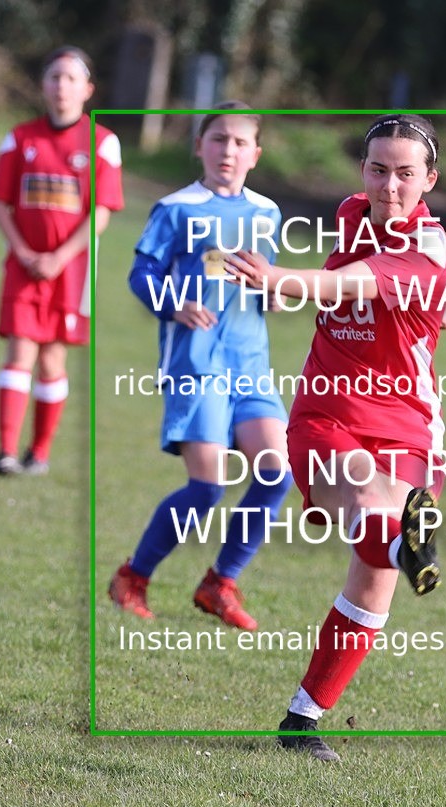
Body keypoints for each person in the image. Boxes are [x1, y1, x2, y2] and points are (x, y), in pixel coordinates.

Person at [227, 113, 446, 760]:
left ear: (430, 181)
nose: (390, 185)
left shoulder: (427, 248)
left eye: (406, 174)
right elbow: (344, 287)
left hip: (407, 423)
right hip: (327, 414)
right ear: (363, 173)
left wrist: (281, 281)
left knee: (376, 572)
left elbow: (349, 283)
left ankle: (300, 723)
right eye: (378, 169)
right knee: (371, 514)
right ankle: (408, 530)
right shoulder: (351, 212)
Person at [107, 103, 292, 632]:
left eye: (239, 143)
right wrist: (174, 303)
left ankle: (220, 582)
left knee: (278, 472)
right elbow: (141, 274)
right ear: (199, 146)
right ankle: (132, 576)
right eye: (218, 140)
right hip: (196, 363)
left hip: (251, 363)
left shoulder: (266, 213)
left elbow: (262, 274)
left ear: (255, 154)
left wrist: (275, 292)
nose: (228, 151)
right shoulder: (175, 208)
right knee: (207, 488)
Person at [0, 46, 124, 475]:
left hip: (71, 272)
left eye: (70, 78)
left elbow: (100, 212)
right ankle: (6, 453)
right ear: (43, 86)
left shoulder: (103, 142)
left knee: (52, 360)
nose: (61, 86)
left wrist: (60, 256)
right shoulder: (21, 138)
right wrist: (24, 252)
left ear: (87, 89)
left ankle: (38, 454)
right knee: (19, 352)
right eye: (53, 77)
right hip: (23, 269)